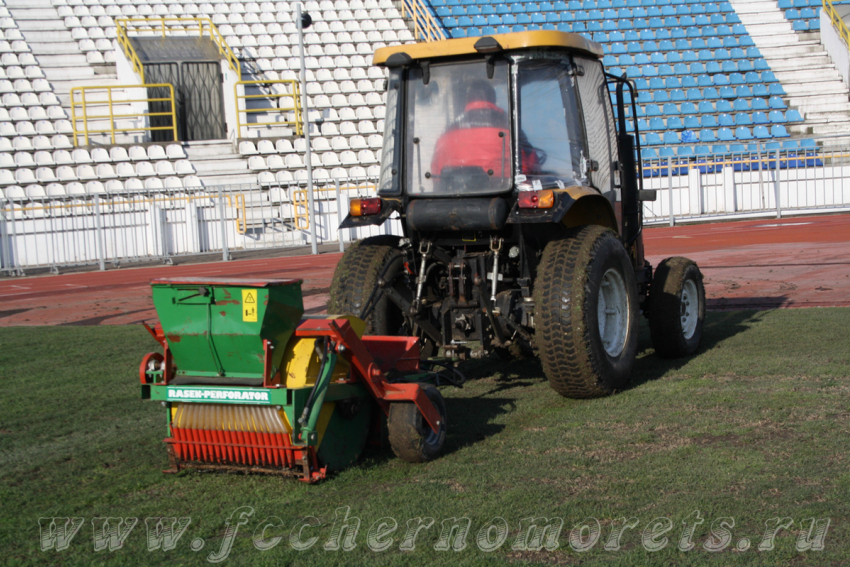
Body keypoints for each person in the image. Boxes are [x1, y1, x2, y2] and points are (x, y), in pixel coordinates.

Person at [430, 80, 541, 190]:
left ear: (467, 100)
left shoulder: (448, 131)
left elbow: (436, 171)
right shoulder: (508, 125)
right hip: (501, 194)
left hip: (454, 197)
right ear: (493, 99)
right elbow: (531, 164)